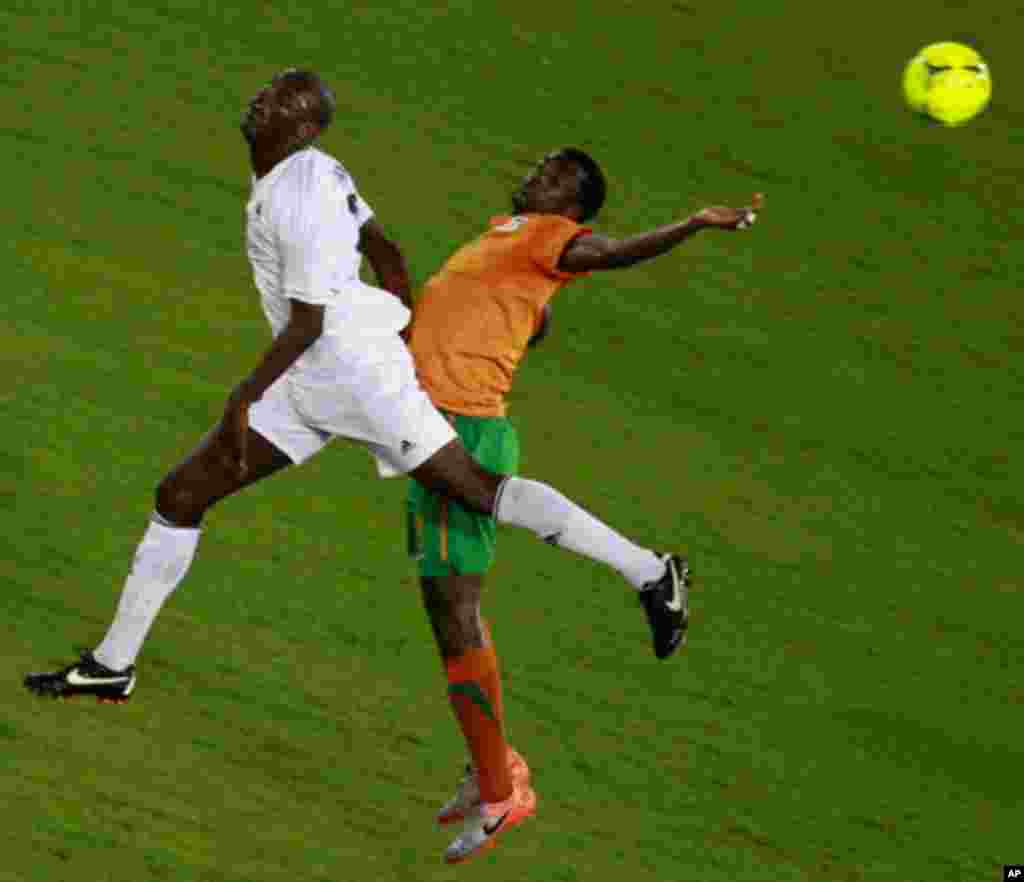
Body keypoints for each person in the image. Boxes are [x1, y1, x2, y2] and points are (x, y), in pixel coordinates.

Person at [22, 69, 696, 860]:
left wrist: (246, 398)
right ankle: (112, 666)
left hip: (348, 374)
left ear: (303, 128)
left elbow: (308, 321)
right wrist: (406, 318)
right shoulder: (318, 171)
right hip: (323, 376)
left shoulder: (301, 195)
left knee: (473, 494)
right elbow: (387, 247)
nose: (259, 102)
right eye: (269, 92)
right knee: (181, 493)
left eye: (281, 101)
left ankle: (649, 572)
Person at [406, 148, 761, 863]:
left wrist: (690, 223)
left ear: (574, 202)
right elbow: (518, 311)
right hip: (426, 420)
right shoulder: (510, 231)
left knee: (458, 609)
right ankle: (494, 770)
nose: (537, 171)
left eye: (554, 172)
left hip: (461, 423)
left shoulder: (553, 234)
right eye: (540, 164)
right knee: (449, 612)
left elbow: (612, 253)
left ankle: (647, 574)